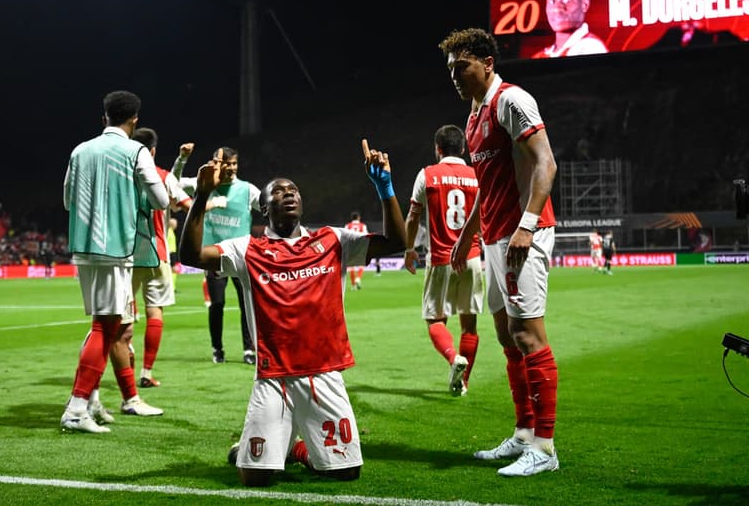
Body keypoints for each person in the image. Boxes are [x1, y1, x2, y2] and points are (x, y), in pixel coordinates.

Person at [179, 138, 406, 487]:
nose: (288, 193)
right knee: (255, 476)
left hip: (323, 372)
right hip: (274, 377)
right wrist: (201, 197)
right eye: (278, 191)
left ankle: (298, 450)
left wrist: (385, 188)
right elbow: (192, 256)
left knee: (346, 472)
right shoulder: (247, 250)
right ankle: (274, 448)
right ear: (264, 207)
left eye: (294, 190)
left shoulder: (332, 240)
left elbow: (396, 243)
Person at [440, 28, 560, 476]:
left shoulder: (512, 100)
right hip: (493, 237)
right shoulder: (473, 114)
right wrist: (467, 234)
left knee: (529, 336)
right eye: (450, 69)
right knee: (508, 338)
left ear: (487, 63)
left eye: (461, 66)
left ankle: (545, 450)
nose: (454, 76)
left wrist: (526, 225)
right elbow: (485, 185)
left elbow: (546, 163)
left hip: (520, 234)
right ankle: (524, 435)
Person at [60, 90, 170, 433]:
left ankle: (91, 400)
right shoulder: (135, 150)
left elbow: (67, 200)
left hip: (83, 247)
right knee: (104, 328)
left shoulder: (80, 150)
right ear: (134, 120)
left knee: (107, 327)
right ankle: (76, 409)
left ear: (103, 116)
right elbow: (161, 199)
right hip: (115, 250)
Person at [404, 124, 483, 397]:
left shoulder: (427, 175)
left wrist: (409, 249)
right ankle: (463, 383)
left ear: (437, 149)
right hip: (472, 258)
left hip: (440, 259)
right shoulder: (476, 176)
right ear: (463, 148)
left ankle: (453, 359)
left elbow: (413, 216)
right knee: (469, 326)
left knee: (436, 321)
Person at [173, 143, 260, 365]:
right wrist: (182, 159)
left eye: (234, 163)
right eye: (227, 164)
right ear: (217, 165)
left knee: (246, 304)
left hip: (242, 257)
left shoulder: (248, 190)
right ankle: (217, 349)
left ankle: (249, 349)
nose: (232, 168)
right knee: (217, 304)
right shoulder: (205, 184)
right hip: (214, 257)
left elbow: (267, 206)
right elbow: (172, 183)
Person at [129, 127, 193, 387]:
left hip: (127, 255)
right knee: (155, 311)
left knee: (124, 314)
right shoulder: (165, 177)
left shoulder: (124, 177)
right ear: (153, 150)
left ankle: (127, 370)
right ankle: (146, 373)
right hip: (158, 254)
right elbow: (188, 205)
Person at [531, 0, 608, 59]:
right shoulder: (542, 55)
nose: (557, 8)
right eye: (552, 1)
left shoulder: (590, 47)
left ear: (584, 4)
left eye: (567, 0)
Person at [345, 212, 368, 290]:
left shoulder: (348, 226)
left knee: (351, 267)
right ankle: (358, 278)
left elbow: (345, 236)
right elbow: (366, 236)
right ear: (358, 217)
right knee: (361, 265)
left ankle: (353, 285)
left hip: (350, 247)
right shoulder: (362, 226)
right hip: (360, 247)